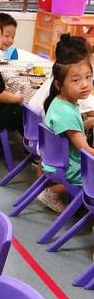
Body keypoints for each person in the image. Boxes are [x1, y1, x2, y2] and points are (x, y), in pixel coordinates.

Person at [39, 59, 94, 210]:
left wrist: (87, 123)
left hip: (53, 160)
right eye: (76, 80)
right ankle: (52, 192)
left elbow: (69, 131)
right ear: (58, 85)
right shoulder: (67, 113)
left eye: (88, 77)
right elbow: (85, 150)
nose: (85, 84)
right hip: (71, 168)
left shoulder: (60, 102)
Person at [28, 34, 94, 117]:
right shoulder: (74, 92)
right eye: (91, 56)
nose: (85, 84)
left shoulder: (59, 76)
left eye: (88, 77)